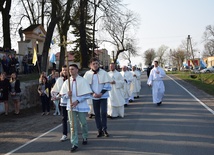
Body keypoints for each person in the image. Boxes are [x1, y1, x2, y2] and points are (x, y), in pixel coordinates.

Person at [60, 64, 92, 153]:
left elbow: (87, 95)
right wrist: (67, 95)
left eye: (72, 69)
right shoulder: (67, 82)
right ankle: (74, 143)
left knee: (83, 123)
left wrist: (78, 101)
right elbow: (62, 96)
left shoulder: (83, 81)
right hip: (70, 106)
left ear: (77, 70)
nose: (70, 71)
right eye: (69, 69)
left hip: (80, 105)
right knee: (72, 125)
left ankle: (85, 136)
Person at [84, 57, 111, 137]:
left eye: (97, 64)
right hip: (94, 96)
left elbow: (107, 84)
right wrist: (92, 93)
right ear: (90, 65)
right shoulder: (87, 74)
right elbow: (86, 85)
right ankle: (99, 130)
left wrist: (101, 93)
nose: (95, 65)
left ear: (99, 64)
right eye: (93, 64)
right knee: (97, 114)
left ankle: (105, 129)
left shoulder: (104, 73)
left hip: (103, 96)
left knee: (103, 112)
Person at [51, 65, 68, 141]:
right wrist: (55, 96)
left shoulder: (72, 79)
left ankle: (75, 132)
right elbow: (55, 90)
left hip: (72, 102)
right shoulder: (59, 80)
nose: (65, 71)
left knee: (72, 119)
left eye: (66, 70)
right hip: (63, 101)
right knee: (64, 118)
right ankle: (64, 134)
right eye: (63, 70)